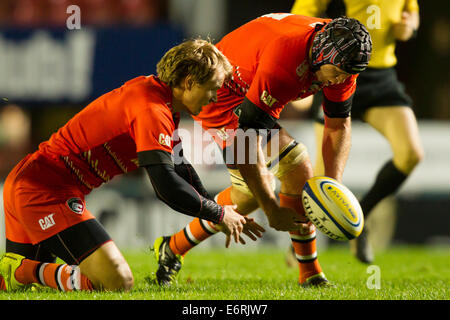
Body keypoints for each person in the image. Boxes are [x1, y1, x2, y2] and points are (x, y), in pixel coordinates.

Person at [0, 38, 259, 292]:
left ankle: (20, 272)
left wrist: (220, 212)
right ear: (189, 82)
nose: (214, 98)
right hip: (44, 190)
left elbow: (181, 168)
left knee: (14, 289)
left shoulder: (162, 101)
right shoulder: (152, 109)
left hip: (30, 182)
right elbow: (166, 185)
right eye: (213, 88)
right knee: (116, 281)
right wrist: (219, 214)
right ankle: (22, 272)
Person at [152, 13, 372, 287]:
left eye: (349, 74)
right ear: (322, 55)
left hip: (252, 87)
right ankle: (175, 246)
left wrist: (332, 184)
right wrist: (271, 208)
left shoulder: (341, 57)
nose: (341, 79)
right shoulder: (286, 61)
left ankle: (310, 275)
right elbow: (247, 134)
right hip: (221, 94)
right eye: (338, 71)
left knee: (279, 181)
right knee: (257, 192)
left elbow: (338, 126)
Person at [290, 0, 423, 263]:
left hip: (381, 77)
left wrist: (409, 27)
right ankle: (303, 248)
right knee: (325, 176)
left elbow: (412, 17)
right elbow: (300, 17)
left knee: (410, 154)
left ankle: (359, 218)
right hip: (338, 73)